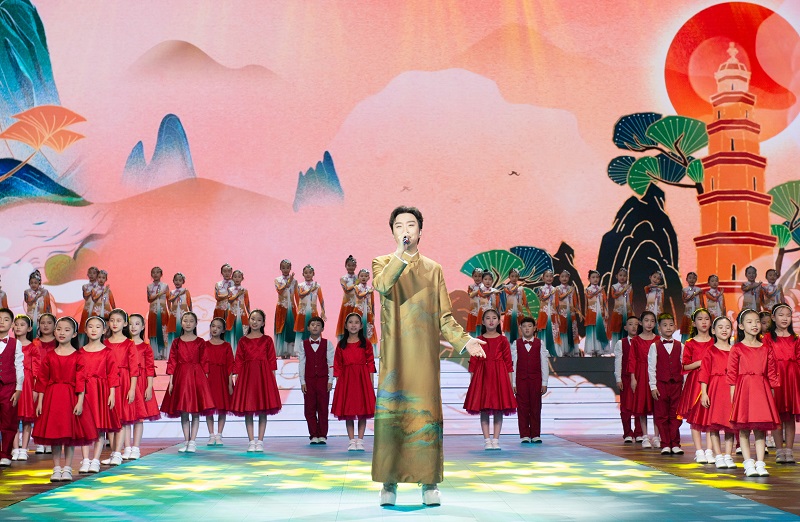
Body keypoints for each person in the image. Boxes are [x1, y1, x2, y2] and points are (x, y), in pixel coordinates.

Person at [371, 206, 486, 507]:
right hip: (395, 354)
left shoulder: (434, 269)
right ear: (393, 232)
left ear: (420, 231)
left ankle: (429, 481)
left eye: (411, 225)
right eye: (399, 226)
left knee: (425, 415)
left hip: (423, 355)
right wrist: (400, 255)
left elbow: (444, 317)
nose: (405, 230)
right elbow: (382, 285)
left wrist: (465, 341)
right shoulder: (382, 263)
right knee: (392, 414)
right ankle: (389, 482)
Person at [33, 317, 97, 482]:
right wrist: (40, 402)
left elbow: (81, 381)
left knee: (69, 435)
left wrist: (80, 402)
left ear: (74, 334)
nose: (62, 333)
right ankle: (56, 468)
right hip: (52, 398)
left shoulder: (78, 356)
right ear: (55, 332)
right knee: (54, 434)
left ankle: (67, 468)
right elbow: (42, 380)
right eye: (59, 329)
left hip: (70, 398)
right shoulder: (49, 356)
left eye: (67, 330)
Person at [728, 308, 780, 477]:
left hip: (761, 389)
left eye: (757, 321)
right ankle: (748, 463)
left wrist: (771, 392)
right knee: (743, 429)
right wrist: (733, 397)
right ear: (741, 326)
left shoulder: (766, 348)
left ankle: (760, 463)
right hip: (743, 389)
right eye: (749, 322)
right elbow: (731, 375)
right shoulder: (737, 348)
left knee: (760, 428)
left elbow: (771, 372)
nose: (755, 325)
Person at [160, 312, 216, 453]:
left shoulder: (200, 342)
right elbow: (172, 362)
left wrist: (205, 384)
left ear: (196, 324)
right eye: (185, 320)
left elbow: (205, 362)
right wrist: (171, 382)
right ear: (182, 323)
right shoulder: (176, 342)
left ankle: (193, 442)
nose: (188, 323)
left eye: (191, 321)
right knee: (184, 411)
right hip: (181, 377)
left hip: (197, 377)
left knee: (195, 412)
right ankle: (186, 441)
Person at [230, 310, 282, 453]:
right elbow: (238, 360)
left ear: (263, 323)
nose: (255, 322)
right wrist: (237, 378)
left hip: (263, 377)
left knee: (262, 410)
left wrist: (272, 381)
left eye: (259, 320)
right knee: (248, 409)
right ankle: (251, 441)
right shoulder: (243, 341)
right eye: (253, 319)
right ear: (248, 321)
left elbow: (272, 361)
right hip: (247, 377)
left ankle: (260, 441)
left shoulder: (267, 340)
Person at [463, 309, 516, 450]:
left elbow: (508, 363)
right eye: (488, 318)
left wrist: (510, 384)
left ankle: (496, 440)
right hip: (483, 376)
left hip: (500, 376)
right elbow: (473, 363)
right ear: (483, 321)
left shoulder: (503, 340)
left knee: (499, 409)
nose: (491, 320)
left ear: (499, 321)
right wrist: (473, 383)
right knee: (484, 409)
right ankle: (487, 440)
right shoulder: (478, 340)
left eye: (494, 318)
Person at [77, 316, 121, 474]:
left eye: (97, 327)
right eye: (90, 326)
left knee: (100, 426)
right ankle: (85, 459)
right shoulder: (80, 352)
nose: (94, 330)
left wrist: (112, 393)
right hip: (85, 392)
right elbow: (78, 375)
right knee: (84, 426)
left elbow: (113, 374)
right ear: (85, 330)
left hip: (101, 391)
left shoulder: (108, 352)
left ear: (104, 330)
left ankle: (95, 460)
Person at [331, 313, 376, 451]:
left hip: (362, 379)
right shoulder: (341, 344)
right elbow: (337, 364)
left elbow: (370, 363)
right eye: (350, 322)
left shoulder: (366, 343)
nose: (353, 325)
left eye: (356, 322)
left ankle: (360, 440)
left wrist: (370, 382)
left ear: (361, 326)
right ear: (345, 326)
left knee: (362, 410)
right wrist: (339, 382)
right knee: (348, 410)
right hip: (346, 380)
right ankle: (351, 440)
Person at [696, 316, 736, 469]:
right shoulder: (710, 350)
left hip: (731, 389)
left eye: (727, 327)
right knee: (713, 424)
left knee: (730, 424)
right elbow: (704, 372)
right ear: (713, 330)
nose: (724, 330)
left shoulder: (735, 350)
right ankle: (718, 455)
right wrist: (704, 393)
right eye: (720, 327)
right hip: (715, 389)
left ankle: (728, 455)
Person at [763, 303, 800, 464]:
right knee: (777, 416)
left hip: (792, 379)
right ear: (773, 317)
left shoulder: (796, 339)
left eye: (788, 315)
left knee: (790, 416)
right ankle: (779, 450)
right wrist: (770, 381)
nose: (785, 318)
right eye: (781, 315)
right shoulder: (767, 338)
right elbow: (765, 360)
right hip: (775, 379)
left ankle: (789, 451)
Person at [102, 309, 139, 466]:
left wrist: (132, 388)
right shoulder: (104, 343)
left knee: (122, 419)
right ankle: (113, 452)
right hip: (108, 383)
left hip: (123, 382)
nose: (115, 323)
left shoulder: (129, 344)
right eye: (112, 320)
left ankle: (118, 452)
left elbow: (134, 368)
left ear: (125, 324)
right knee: (110, 419)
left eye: (118, 320)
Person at [678, 308, 714, 464]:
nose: (704, 322)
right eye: (700, 319)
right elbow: (685, 366)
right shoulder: (690, 343)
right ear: (694, 323)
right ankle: (699, 451)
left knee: (711, 416)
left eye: (706, 319)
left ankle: (710, 450)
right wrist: (701, 363)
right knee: (695, 417)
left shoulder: (715, 341)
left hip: (713, 381)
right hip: (695, 382)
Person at [648, 313, 683, 455]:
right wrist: (653, 386)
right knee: (661, 415)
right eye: (665, 325)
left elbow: (684, 367)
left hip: (677, 385)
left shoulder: (681, 345)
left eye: (671, 325)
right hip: (661, 385)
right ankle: (665, 444)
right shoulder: (655, 346)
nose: (668, 328)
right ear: (659, 328)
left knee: (676, 414)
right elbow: (651, 367)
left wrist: (684, 386)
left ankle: (675, 443)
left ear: (675, 327)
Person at [511, 317, 548, 444]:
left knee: (536, 407)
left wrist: (544, 382)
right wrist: (513, 383)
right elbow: (513, 364)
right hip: (521, 381)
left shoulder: (540, 343)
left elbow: (544, 364)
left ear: (534, 328)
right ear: (520, 329)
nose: (527, 328)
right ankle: (524, 435)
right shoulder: (516, 344)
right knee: (522, 408)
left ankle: (536, 434)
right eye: (524, 326)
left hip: (536, 380)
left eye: (529, 326)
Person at [129, 313, 160, 458]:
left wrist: (149, 386)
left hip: (141, 382)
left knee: (139, 417)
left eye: (137, 324)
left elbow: (149, 368)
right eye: (130, 323)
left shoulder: (146, 347)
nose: (133, 327)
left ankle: (135, 448)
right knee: (126, 416)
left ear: (142, 327)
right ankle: (126, 447)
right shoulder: (125, 345)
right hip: (128, 381)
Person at [299, 317, 334, 444]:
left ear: (322, 328)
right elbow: (302, 364)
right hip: (309, 381)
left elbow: (331, 362)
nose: (315, 327)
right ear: (308, 328)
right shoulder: (303, 344)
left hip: (323, 380)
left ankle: (322, 435)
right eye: (312, 324)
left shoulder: (327, 343)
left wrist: (330, 380)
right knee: (309, 408)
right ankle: (313, 434)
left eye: (318, 325)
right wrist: (302, 382)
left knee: (323, 408)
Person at [629, 311, 657, 449]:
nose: (649, 324)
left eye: (652, 321)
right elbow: (632, 359)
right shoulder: (635, 340)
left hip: (655, 374)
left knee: (657, 406)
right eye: (646, 320)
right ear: (641, 322)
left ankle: (657, 436)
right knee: (642, 406)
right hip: (641, 374)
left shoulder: (658, 339)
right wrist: (633, 378)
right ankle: (645, 436)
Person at [204, 317, 234, 446]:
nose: (215, 329)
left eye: (218, 327)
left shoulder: (226, 346)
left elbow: (230, 365)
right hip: (209, 378)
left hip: (222, 379)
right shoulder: (204, 345)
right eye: (213, 326)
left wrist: (230, 384)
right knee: (209, 407)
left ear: (223, 330)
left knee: (222, 408)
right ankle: (211, 435)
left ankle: (219, 434)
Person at [11, 315, 36, 461]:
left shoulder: (33, 347)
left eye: (22, 324)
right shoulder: (10, 344)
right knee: (12, 416)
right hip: (12, 382)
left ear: (29, 328)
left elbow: (37, 370)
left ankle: (24, 449)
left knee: (27, 418)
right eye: (16, 324)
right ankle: (15, 448)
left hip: (27, 384)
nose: (18, 327)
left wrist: (35, 389)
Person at [0, 308, 23, 467]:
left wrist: (18, 388)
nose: (2, 322)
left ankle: (6, 454)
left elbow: (19, 365)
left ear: (12, 324)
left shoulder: (16, 343)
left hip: (8, 386)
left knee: (8, 421)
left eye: (6, 319)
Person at [614, 316, 642, 443]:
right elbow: (618, 361)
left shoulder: (642, 341)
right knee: (626, 407)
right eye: (631, 324)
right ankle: (627, 433)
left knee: (640, 406)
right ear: (626, 327)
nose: (634, 327)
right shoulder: (621, 343)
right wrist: (618, 378)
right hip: (626, 378)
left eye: (636, 324)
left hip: (640, 377)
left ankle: (639, 433)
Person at [31, 313, 55, 455]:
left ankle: (51, 441)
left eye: (49, 323)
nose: (45, 325)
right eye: (43, 323)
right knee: (38, 410)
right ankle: (40, 442)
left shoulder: (58, 342)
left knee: (51, 410)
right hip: (37, 379)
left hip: (54, 380)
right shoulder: (35, 343)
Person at [293, 265, 326, 343]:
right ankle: (300, 348)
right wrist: (311, 290)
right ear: (303, 274)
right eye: (306, 273)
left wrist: (323, 311)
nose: (308, 274)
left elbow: (321, 299)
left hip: (313, 312)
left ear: (313, 273)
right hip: (302, 312)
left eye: (310, 273)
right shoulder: (300, 286)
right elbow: (300, 295)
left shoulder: (317, 286)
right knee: (301, 329)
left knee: (314, 328)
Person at [274, 260, 298, 359]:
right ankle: (282, 351)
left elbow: (297, 296)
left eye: (287, 267)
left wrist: (300, 308)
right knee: (281, 328)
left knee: (291, 328)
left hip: (291, 308)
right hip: (281, 308)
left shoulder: (295, 281)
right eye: (283, 267)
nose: (285, 270)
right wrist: (288, 282)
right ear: (280, 268)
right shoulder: (277, 280)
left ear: (290, 268)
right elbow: (280, 291)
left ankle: (291, 351)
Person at [534, 270, 560, 357]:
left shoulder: (555, 289)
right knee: (543, 330)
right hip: (544, 312)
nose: (549, 278)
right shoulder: (541, 289)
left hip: (553, 312)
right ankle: (542, 351)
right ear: (543, 278)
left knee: (553, 331)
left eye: (551, 276)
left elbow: (557, 303)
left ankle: (553, 351)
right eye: (547, 276)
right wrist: (550, 294)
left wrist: (558, 315)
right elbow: (542, 299)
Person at [556, 271, 582, 357]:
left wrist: (579, 312)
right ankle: (562, 350)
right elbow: (557, 300)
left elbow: (575, 302)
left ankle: (572, 351)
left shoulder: (572, 289)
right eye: (562, 276)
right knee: (562, 330)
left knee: (572, 330)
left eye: (566, 277)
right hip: (561, 312)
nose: (564, 278)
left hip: (571, 312)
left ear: (569, 278)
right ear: (559, 278)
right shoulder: (557, 289)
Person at [584, 270, 610, 356]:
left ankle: (600, 349)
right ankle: (591, 349)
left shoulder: (602, 290)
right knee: (592, 330)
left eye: (597, 277)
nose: (595, 279)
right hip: (591, 313)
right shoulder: (587, 290)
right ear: (589, 279)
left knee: (600, 330)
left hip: (601, 313)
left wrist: (606, 311)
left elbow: (605, 302)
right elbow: (589, 296)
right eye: (593, 277)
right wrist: (598, 291)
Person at [167, 272, 193, 357]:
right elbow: (170, 301)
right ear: (173, 281)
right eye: (176, 280)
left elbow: (189, 303)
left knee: (183, 331)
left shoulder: (186, 291)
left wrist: (191, 313)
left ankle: (185, 352)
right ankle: (173, 352)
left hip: (183, 314)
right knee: (173, 331)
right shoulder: (172, 292)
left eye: (180, 280)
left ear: (183, 281)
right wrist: (177, 295)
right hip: (174, 314)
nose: (178, 282)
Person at [503, 268, 532, 343]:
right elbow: (511, 292)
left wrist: (529, 312)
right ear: (509, 277)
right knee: (509, 330)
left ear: (518, 277)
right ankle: (509, 347)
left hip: (519, 312)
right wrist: (516, 287)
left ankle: (519, 346)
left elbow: (525, 302)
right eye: (512, 276)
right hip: (510, 311)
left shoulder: (521, 289)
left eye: (516, 276)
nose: (514, 278)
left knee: (520, 330)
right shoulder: (506, 287)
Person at [146, 267, 169, 360]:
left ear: (161, 274)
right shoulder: (149, 286)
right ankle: (155, 353)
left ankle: (163, 353)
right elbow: (149, 299)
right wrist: (159, 294)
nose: (155, 274)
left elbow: (168, 299)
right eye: (153, 272)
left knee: (163, 331)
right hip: (153, 311)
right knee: (154, 330)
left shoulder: (165, 286)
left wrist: (171, 311)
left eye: (157, 272)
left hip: (163, 311)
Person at [226, 270, 249, 354]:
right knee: (231, 331)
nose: (237, 279)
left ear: (242, 278)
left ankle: (242, 352)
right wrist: (238, 294)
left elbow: (247, 303)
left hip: (242, 313)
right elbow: (229, 300)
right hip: (232, 313)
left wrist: (249, 313)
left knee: (243, 331)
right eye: (235, 277)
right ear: (232, 278)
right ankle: (232, 351)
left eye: (239, 277)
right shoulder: (230, 290)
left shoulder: (245, 290)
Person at [609, 267, 634, 348]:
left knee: (627, 327)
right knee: (617, 327)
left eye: (624, 276)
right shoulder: (614, 287)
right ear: (616, 276)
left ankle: (627, 347)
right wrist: (623, 290)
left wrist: (631, 310)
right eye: (620, 275)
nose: (622, 277)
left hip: (627, 310)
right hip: (618, 310)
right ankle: (617, 347)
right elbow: (614, 296)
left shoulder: (629, 287)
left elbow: (631, 300)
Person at [335, 255, 358, 339]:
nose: (351, 267)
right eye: (349, 265)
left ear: (355, 266)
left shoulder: (359, 277)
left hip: (357, 303)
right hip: (347, 303)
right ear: (345, 266)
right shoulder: (343, 278)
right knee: (345, 320)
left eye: (353, 265)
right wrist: (356, 283)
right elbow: (346, 290)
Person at [24, 270, 52, 337]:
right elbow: (29, 303)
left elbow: (48, 305)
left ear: (39, 283)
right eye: (31, 283)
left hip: (42, 317)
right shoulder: (27, 292)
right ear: (29, 283)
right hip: (31, 317)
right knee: (31, 335)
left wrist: (49, 317)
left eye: (35, 283)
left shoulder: (45, 292)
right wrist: (37, 297)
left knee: (42, 335)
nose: (33, 285)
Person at [354, 269, 378, 346]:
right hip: (358, 310)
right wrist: (367, 292)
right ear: (358, 277)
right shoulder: (356, 287)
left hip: (368, 311)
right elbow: (359, 295)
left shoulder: (370, 289)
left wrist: (373, 314)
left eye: (366, 276)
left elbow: (372, 303)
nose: (363, 278)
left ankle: (369, 347)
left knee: (369, 329)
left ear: (369, 278)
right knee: (358, 327)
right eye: (361, 276)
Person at [681, 272, 704, 343]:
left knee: (697, 331)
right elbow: (685, 300)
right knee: (686, 331)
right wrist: (695, 293)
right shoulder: (684, 290)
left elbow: (702, 302)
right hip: (688, 313)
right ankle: (685, 345)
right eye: (690, 278)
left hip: (697, 314)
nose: (692, 280)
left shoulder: (699, 290)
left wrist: (704, 312)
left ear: (696, 280)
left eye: (694, 278)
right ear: (686, 279)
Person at [78, 267, 99, 345]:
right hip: (87, 309)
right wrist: (92, 291)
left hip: (97, 310)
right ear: (87, 274)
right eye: (90, 273)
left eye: (94, 273)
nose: (92, 275)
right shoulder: (85, 286)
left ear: (97, 274)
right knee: (84, 327)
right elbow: (85, 297)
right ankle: (82, 346)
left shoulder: (101, 286)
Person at [466, 268, 483, 337]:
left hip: (482, 309)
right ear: (472, 276)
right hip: (474, 309)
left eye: (479, 276)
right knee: (473, 327)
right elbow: (471, 295)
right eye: (475, 276)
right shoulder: (471, 287)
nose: (477, 278)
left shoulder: (485, 287)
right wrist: (478, 291)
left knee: (482, 327)